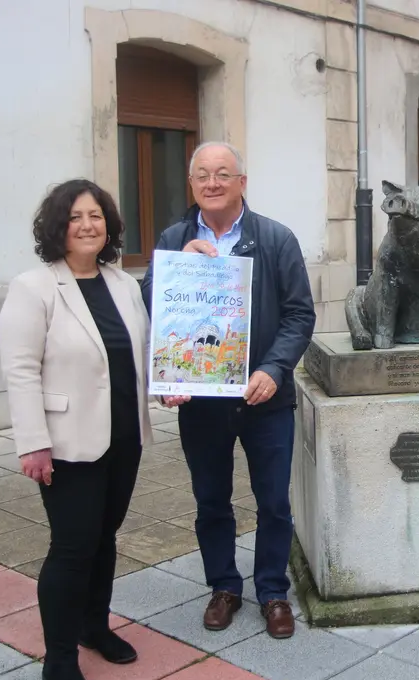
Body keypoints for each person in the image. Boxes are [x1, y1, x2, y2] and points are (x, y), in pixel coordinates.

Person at [141, 142, 315, 638]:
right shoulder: (175, 236)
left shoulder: (276, 239)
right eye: (202, 175)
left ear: (242, 181)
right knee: (211, 501)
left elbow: (300, 314)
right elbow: (151, 306)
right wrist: (178, 262)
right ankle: (223, 586)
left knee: (274, 502)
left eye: (222, 173)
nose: (211, 183)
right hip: (201, 403)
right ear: (191, 184)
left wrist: (275, 368)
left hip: (266, 399)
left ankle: (273, 592)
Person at [0, 179, 154, 680]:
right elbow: (20, 371)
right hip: (67, 443)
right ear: (57, 227)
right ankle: (59, 660)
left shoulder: (123, 283)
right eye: (75, 217)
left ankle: (94, 626)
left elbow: (141, 353)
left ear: (108, 224)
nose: (88, 225)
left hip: (123, 437)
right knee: (71, 548)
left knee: (104, 537)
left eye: (96, 215)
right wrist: (32, 443)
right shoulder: (34, 287)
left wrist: (168, 387)